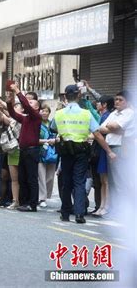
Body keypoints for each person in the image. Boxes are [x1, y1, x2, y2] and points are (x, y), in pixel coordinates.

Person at [51, 85, 116, 224]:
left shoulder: (59, 113)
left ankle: (65, 213)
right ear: (79, 95)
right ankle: (80, 214)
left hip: (65, 151)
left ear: (65, 97)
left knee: (66, 182)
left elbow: (53, 127)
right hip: (81, 151)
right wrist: (109, 150)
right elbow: (97, 134)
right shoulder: (86, 113)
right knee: (79, 182)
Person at [6, 84, 42, 212]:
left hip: (32, 150)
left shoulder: (36, 117)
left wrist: (17, 91)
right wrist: (9, 103)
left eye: (31, 102)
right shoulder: (26, 118)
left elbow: (26, 106)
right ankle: (25, 201)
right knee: (23, 177)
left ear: (36, 107)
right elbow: (13, 115)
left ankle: (32, 204)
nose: (28, 103)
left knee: (32, 178)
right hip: (24, 150)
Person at [99, 91, 135, 214]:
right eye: (116, 99)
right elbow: (102, 129)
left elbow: (115, 126)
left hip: (121, 147)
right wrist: (112, 128)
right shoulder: (114, 113)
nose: (117, 102)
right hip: (111, 146)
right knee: (113, 181)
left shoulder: (130, 113)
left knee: (121, 181)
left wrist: (112, 128)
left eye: (120, 100)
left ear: (128, 102)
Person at [0, 97, 22, 209]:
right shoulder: (12, 120)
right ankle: (14, 200)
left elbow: (7, 113)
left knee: (21, 178)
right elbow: (1, 116)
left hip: (21, 151)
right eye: (14, 107)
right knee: (11, 178)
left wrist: (0, 102)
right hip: (11, 150)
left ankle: (22, 200)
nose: (14, 108)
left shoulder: (24, 119)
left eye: (17, 107)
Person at [91, 95, 114, 217]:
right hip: (101, 150)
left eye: (99, 103)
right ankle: (102, 206)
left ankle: (106, 206)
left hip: (104, 149)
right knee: (102, 180)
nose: (97, 105)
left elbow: (98, 132)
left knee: (105, 180)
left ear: (104, 104)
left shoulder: (107, 116)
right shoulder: (102, 116)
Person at [38, 104, 57, 208]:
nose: (44, 113)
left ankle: (45, 195)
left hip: (52, 153)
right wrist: (46, 141)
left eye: (46, 111)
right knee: (41, 176)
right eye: (43, 111)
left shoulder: (52, 124)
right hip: (40, 152)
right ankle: (42, 198)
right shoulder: (37, 124)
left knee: (50, 177)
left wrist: (54, 141)